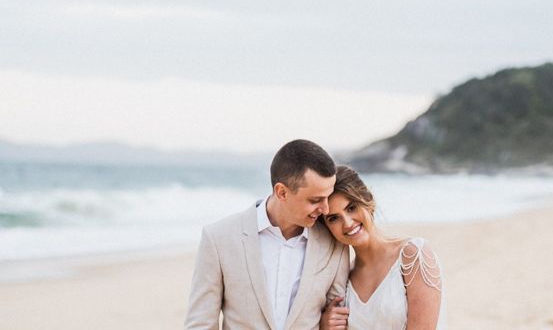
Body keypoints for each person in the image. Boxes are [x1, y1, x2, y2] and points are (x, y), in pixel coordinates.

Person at [184, 139, 350, 330]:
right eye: (315, 200)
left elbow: (339, 317)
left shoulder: (335, 243)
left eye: (327, 197)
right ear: (281, 192)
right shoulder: (218, 238)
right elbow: (200, 324)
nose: (326, 209)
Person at [320, 165, 444, 330]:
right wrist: (325, 327)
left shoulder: (413, 255)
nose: (348, 223)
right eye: (334, 218)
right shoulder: (343, 280)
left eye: (351, 208)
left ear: (368, 200)